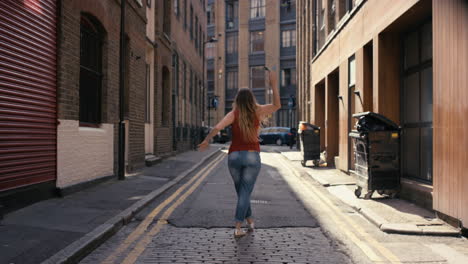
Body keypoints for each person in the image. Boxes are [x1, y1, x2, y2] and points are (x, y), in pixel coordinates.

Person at [198, 69, 281, 238]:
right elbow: (277, 105)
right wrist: (273, 84)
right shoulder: (258, 111)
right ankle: (237, 226)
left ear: (237, 100)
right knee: (245, 191)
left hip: (234, 157)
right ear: (251, 99)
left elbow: (216, 127)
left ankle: (249, 221)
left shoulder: (233, 114)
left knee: (243, 191)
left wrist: (207, 140)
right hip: (251, 155)